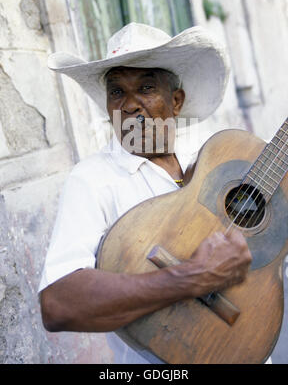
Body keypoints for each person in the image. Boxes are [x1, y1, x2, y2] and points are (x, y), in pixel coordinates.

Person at [38, 22, 252, 364]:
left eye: (147, 87)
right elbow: (57, 303)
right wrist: (187, 278)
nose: (130, 105)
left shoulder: (209, 157)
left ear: (176, 101)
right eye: (117, 92)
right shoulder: (92, 180)